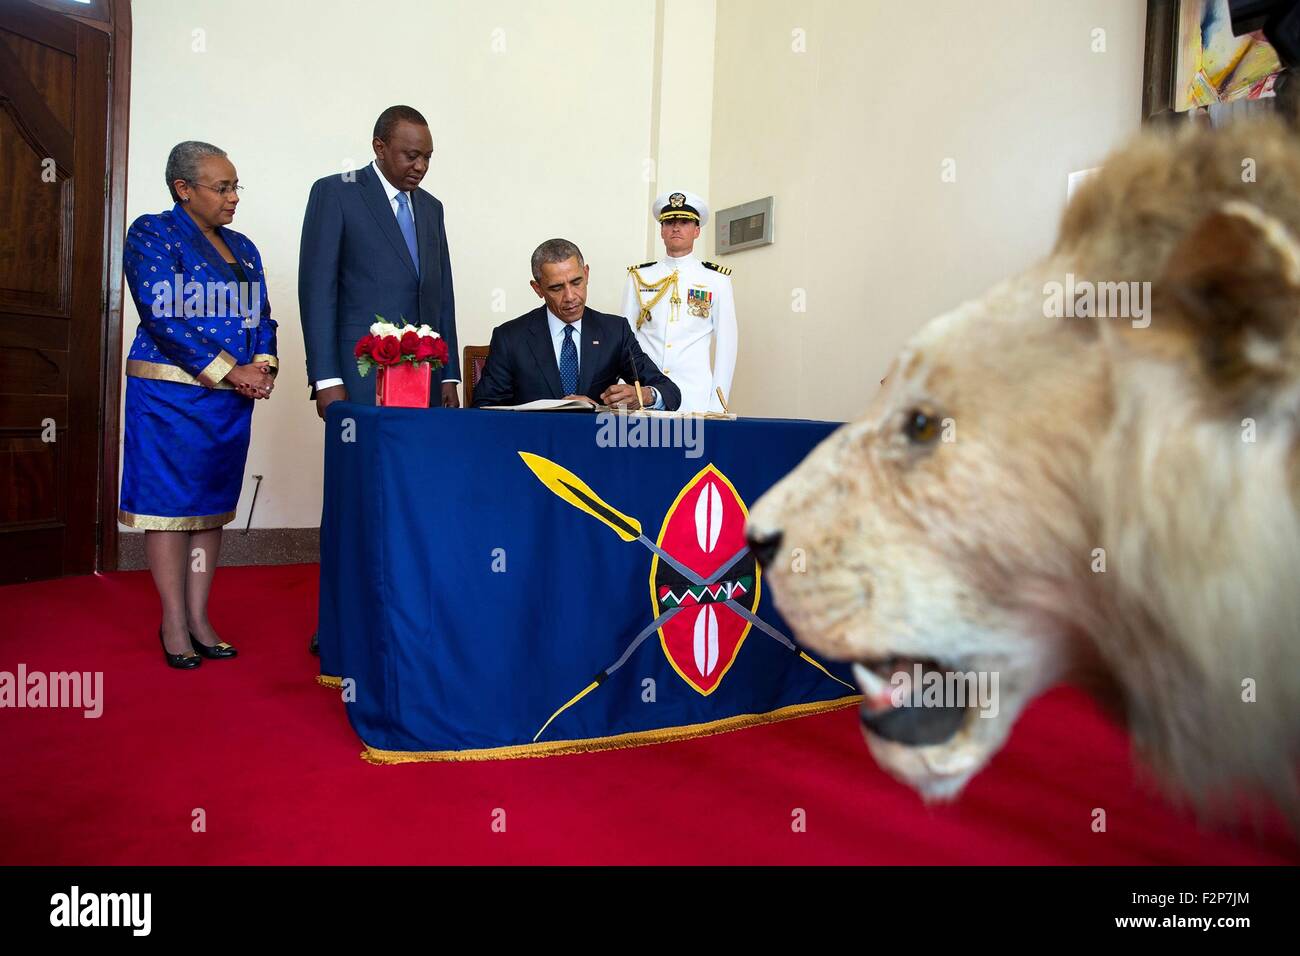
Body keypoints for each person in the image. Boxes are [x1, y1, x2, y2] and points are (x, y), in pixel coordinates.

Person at [300, 104, 461, 656]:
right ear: (379, 146)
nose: (420, 167)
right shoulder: (336, 192)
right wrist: (325, 377)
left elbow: (441, 295)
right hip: (360, 381)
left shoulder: (433, 209)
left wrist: (450, 375)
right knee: (354, 497)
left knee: (413, 497)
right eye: (410, 155)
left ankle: (404, 614)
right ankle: (341, 622)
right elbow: (316, 288)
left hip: (423, 384)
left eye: (428, 157)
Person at [120, 141, 277, 669]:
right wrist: (231, 370)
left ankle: (201, 616)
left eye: (236, 186)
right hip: (170, 393)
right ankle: (173, 621)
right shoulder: (152, 233)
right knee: (170, 510)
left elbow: (263, 317)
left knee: (210, 509)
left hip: (228, 398)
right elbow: (162, 317)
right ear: (183, 189)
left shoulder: (245, 247)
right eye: (222, 187)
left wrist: (263, 366)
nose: (234, 197)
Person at [471, 239, 680, 410]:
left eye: (576, 282)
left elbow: (670, 392)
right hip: (532, 449)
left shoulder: (615, 331)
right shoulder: (510, 337)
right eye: (556, 288)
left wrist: (645, 395)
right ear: (537, 289)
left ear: (587, 274)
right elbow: (483, 407)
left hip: (596, 449)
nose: (570, 296)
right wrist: (551, 409)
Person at [622, 190, 737, 413]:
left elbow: (727, 344)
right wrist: (626, 387)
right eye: (670, 222)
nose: (676, 227)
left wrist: (717, 403)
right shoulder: (638, 277)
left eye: (684, 222)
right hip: (646, 393)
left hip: (694, 396)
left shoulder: (716, 280)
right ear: (662, 231)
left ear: (696, 231)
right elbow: (625, 340)